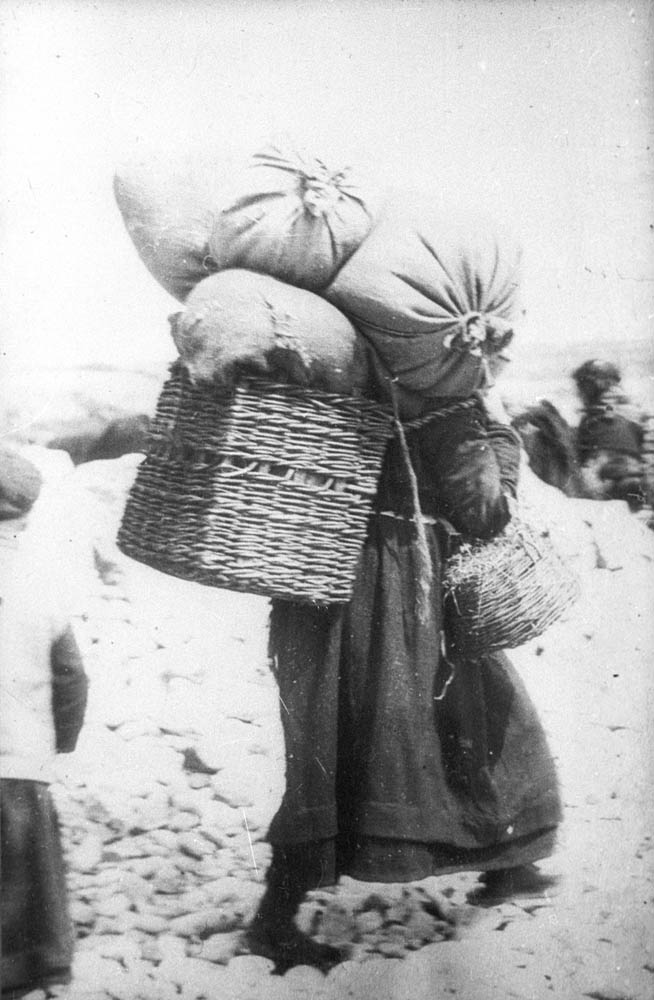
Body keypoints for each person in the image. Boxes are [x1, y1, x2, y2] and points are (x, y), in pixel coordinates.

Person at [246, 351, 563, 973]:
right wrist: (501, 435)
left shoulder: (343, 379)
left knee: (331, 743)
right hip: (396, 590)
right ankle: (273, 922)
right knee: (477, 719)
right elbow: (484, 510)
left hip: (320, 583)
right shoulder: (445, 404)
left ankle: (510, 865)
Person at [1, 502, 89, 998]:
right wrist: (60, 743)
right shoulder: (40, 585)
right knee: (26, 867)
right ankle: (35, 967)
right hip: (19, 759)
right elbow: (72, 676)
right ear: (26, 519)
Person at [572, 359, 648, 511]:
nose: (579, 393)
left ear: (595, 386)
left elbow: (582, 455)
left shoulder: (592, 415)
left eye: (582, 387)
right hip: (637, 478)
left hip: (604, 477)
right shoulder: (635, 412)